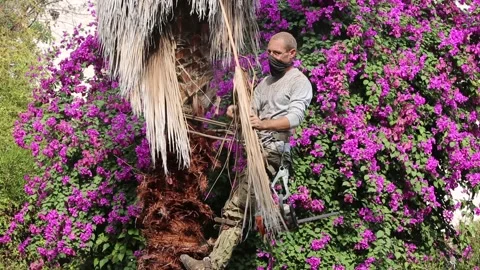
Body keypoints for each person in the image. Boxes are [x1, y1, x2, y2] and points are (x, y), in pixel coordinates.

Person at [180, 32, 313, 270]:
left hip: (272, 153)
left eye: (277, 53)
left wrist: (263, 124)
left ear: (292, 54)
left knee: (237, 206)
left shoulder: (298, 82)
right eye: (269, 52)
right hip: (256, 154)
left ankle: (213, 264)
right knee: (236, 206)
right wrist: (237, 110)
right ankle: (213, 256)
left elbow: (294, 118)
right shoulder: (264, 84)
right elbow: (250, 114)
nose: (271, 57)